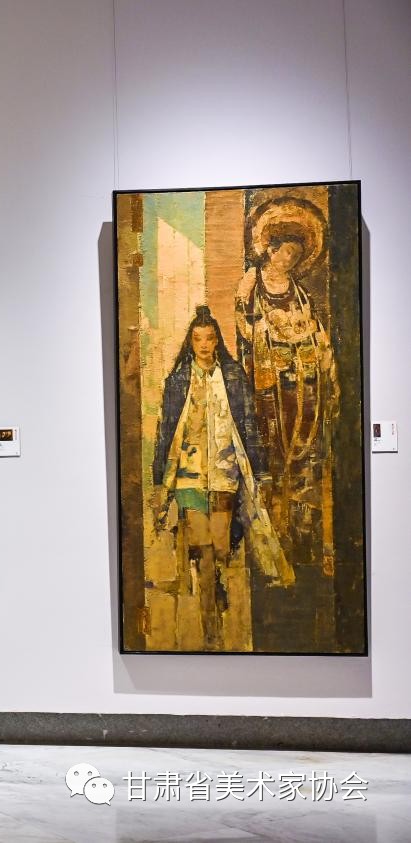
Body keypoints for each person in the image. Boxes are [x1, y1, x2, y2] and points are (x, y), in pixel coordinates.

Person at [152, 306, 289, 649]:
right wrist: (158, 479)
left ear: (217, 341)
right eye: (198, 338)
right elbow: (165, 430)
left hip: (225, 472)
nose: (204, 344)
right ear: (190, 342)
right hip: (188, 475)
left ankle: (215, 586)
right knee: (203, 549)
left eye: (209, 338)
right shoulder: (178, 380)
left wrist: (261, 471)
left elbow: (249, 424)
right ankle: (211, 627)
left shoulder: (232, 377)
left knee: (221, 546)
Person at [235, 196, 338, 572]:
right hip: (269, 379)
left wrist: (316, 348)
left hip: (300, 376)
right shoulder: (252, 281)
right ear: (271, 249)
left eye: (295, 255)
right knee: (273, 447)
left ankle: (302, 532)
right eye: (286, 253)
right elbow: (244, 327)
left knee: (304, 447)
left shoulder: (297, 289)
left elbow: (311, 325)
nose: (289, 260)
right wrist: (269, 331)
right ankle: (273, 528)